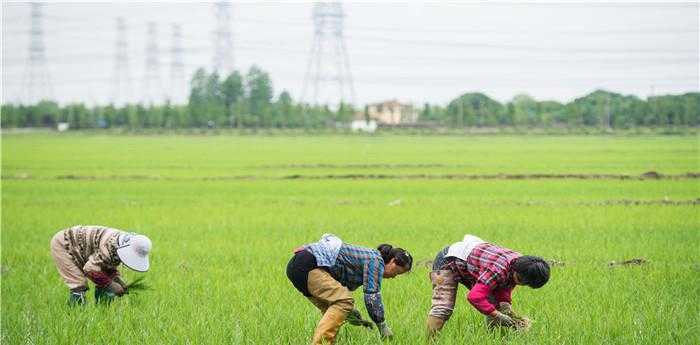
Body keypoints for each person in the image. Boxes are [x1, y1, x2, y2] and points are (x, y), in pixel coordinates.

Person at [286, 234, 413, 345]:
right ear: (393, 262)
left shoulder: (368, 260)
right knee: (344, 302)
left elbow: (336, 290)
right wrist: (382, 326)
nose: (393, 277)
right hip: (308, 265)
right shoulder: (376, 260)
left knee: (332, 307)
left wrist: (351, 314)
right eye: (396, 273)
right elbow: (372, 297)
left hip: (296, 267)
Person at [426, 234, 550, 338]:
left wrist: (505, 304)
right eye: (519, 280)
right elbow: (474, 297)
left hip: (470, 266)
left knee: (496, 304)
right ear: (515, 269)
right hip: (447, 261)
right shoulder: (498, 269)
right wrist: (497, 315)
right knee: (443, 307)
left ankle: (491, 338)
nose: (520, 284)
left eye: (525, 284)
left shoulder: (522, 264)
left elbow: (506, 284)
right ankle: (429, 342)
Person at [50, 225, 152, 305]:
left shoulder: (122, 243)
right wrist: (111, 284)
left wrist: (117, 279)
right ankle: (74, 314)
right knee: (78, 284)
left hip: (83, 248)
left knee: (104, 279)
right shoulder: (109, 246)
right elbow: (90, 269)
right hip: (65, 244)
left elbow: (107, 265)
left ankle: (102, 311)